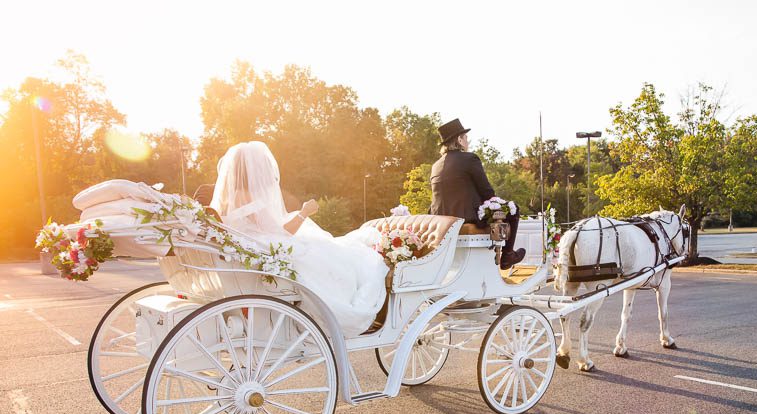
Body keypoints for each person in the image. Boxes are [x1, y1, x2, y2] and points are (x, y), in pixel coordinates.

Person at [210, 141, 388, 337]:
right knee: (327, 253)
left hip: (251, 247)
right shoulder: (249, 197)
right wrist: (304, 212)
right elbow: (282, 232)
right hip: (264, 248)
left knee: (325, 249)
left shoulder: (227, 198)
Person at [429, 118, 525, 269]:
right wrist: (495, 204)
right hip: (467, 218)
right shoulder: (470, 159)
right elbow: (487, 192)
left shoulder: (436, 165)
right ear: (459, 140)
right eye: (466, 137)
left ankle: (503, 254)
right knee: (513, 209)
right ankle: (507, 255)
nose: (468, 141)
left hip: (439, 220)